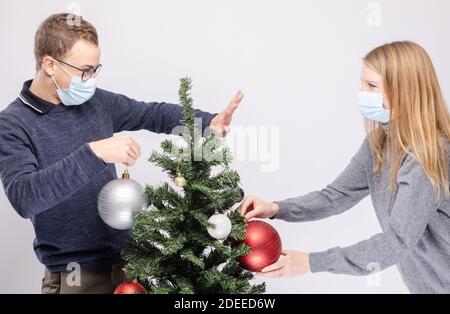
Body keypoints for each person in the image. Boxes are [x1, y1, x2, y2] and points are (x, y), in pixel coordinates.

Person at [0, 13, 243, 294]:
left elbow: (151, 113)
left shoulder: (97, 102)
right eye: (84, 70)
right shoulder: (12, 124)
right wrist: (94, 153)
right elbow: (24, 197)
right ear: (50, 64)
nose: (89, 80)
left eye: (95, 70)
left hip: (129, 266)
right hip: (75, 278)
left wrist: (207, 122)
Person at [239, 41, 450, 294]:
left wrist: (311, 262)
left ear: (405, 92)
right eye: (362, 83)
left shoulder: (427, 155)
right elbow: (335, 197)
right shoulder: (380, 143)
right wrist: (276, 209)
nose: (361, 92)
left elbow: (396, 243)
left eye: (371, 86)